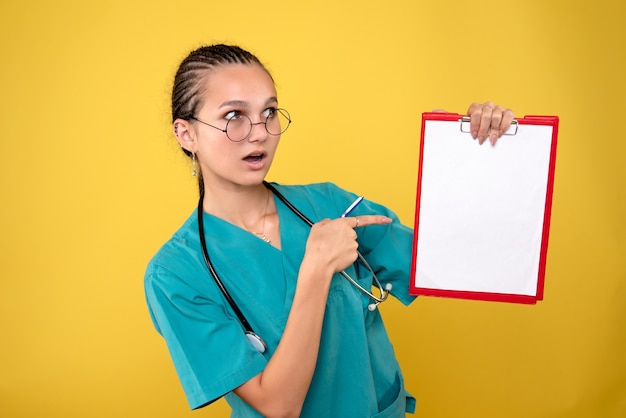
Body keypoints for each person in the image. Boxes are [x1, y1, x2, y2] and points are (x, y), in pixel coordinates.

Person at [144, 44, 515, 418]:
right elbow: (278, 407)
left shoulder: (331, 206)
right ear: (186, 134)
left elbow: (456, 264)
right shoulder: (176, 275)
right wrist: (317, 268)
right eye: (234, 115)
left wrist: (474, 157)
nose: (259, 133)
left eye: (269, 112)